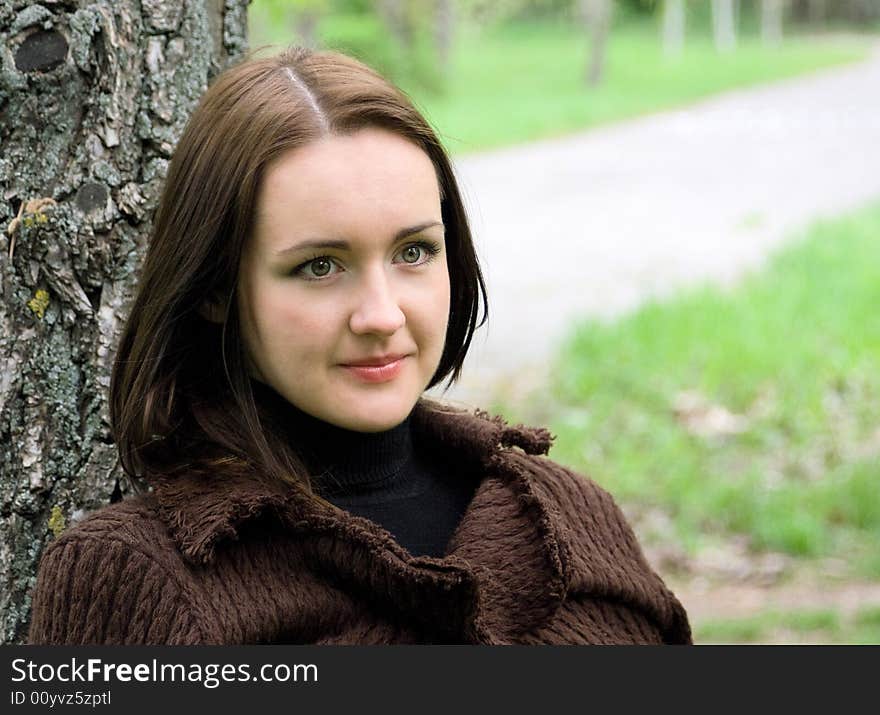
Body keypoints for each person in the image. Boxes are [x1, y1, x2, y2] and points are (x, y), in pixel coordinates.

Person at [28, 46, 691, 645]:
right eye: (320, 265)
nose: (381, 314)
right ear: (216, 288)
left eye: (413, 251)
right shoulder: (139, 575)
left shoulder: (569, 514)